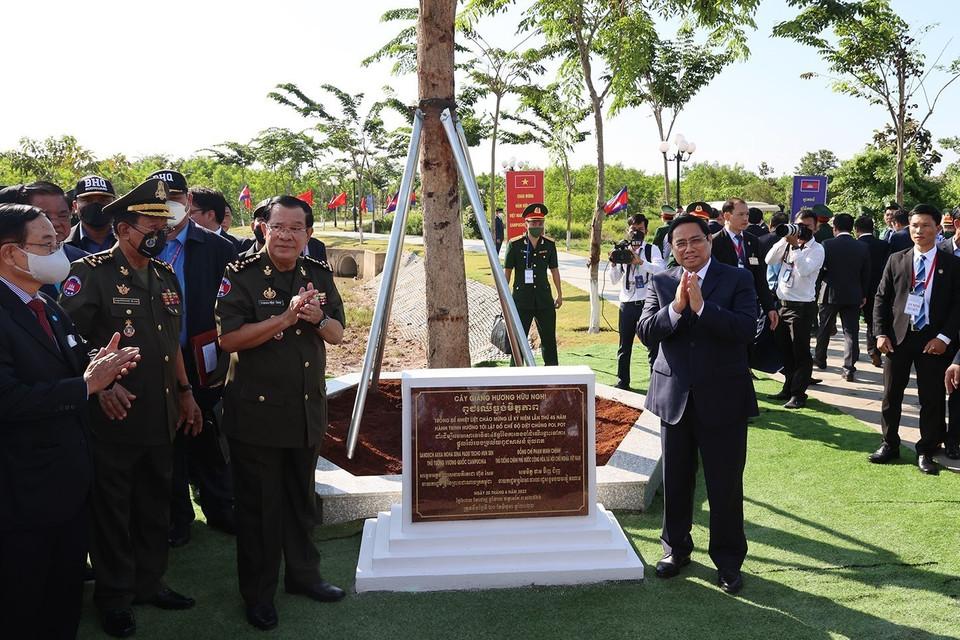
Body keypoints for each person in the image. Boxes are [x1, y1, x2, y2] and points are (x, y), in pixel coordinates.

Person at [59, 178, 202, 638]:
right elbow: (66, 344)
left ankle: (149, 582)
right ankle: (114, 597)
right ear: (122, 228)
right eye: (149, 224)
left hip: (160, 414)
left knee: (154, 506)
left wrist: (185, 393)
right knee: (113, 512)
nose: (160, 231)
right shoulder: (94, 274)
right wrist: (98, 389)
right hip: (114, 417)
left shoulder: (162, 274)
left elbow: (170, 344)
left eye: (163, 222)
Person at [0, 203, 140, 640]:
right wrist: (86, 385)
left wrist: (103, 370)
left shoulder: (48, 305)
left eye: (58, 241)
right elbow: (7, 399)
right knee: (21, 603)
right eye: (46, 243)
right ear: (10, 254)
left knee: (63, 600)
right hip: (21, 493)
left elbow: (73, 365)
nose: (59, 250)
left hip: (68, 483)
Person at [216, 195, 347, 631]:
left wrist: (314, 318)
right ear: (262, 228)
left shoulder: (318, 274)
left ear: (309, 234)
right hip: (256, 417)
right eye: (279, 226)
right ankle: (258, 595)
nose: (287, 235)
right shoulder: (242, 275)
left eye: (296, 228)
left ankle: (304, 577)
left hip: (306, 411)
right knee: (258, 511)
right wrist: (286, 319)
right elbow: (230, 340)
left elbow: (338, 334)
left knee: (301, 502)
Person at [637, 214, 757, 595]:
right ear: (671, 248)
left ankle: (727, 560)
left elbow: (744, 330)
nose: (688, 249)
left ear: (709, 240)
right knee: (676, 480)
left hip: (724, 397)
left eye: (696, 241)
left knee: (724, 484)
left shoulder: (737, 278)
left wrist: (703, 307)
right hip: (674, 397)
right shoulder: (660, 280)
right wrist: (675, 308)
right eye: (680, 244)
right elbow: (645, 331)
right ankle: (676, 550)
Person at [159, 184, 240, 548]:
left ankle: (220, 507)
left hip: (206, 358)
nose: (169, 207)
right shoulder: (145, 244)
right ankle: (177, 516)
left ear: (188, 202)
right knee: (168, 438)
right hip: (158, 362)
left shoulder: (219, 246)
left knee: (209, 430)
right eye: (161, 201)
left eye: (175, 199)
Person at [871, 204, 960, 475]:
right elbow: (881, 298)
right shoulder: (896, 259)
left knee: (931, 398)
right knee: (891, 395)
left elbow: (958, 305)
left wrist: (944, 337)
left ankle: (926, 450)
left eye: (925, 225)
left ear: (937, 228)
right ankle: (889, 443)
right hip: (898, 338)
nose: (919, 231)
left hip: (933, 341)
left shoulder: (952, 264)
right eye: (914, 226)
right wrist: (880, 333)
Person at [765, 209, 825, 409]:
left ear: (816, 228)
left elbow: (805, 270)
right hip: (782, 305)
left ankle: (799, 394)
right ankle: (788, 387)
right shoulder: (788, 245)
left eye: (807, 226)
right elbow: (769, 260)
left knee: (800, 352)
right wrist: (785, 239)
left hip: (801, 307)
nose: (803, 230)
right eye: (799, 225)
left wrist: (796, 248)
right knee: (784, 351)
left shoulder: (817, 249)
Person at [607, 213, 663, 389]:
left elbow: (660, 270)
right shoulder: (621, 250)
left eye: (640, 229)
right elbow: (614, 280)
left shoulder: (651, 250)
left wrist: (641, 262)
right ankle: (623, 381)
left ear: (646, 230)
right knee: (625, 345)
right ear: (627, 231)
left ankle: (656, 382)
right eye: (633, 230)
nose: (636, 233)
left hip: (647, 303)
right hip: (627, 303)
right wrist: (614, 263)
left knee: (652, 344)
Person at [503, 203, 563, 366]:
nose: (537, 226)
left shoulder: (549, 245)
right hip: (522, 299)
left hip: (544, 299)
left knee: (549, 339)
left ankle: (551, 374)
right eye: (533, 223)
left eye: (540, 223)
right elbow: (507, 271)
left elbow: (555, 270)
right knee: (519, 340)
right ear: (526, 224)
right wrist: (504, 296)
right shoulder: (514, 245)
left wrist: (559, 293)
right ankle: (515, 376)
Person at [813, 213, 871, 381]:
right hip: (853, 294)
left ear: (835, 228)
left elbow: (820, 270)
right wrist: (863, 294)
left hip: (829, 293)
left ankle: (820, 359)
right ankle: (849, 367)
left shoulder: (827, 244)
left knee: (824, 329)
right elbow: (865, 273)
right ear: (852, 228)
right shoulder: (861, 246)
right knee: (851, 332)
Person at [711, 198, 778, 332]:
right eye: (740, 215)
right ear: (726, 216)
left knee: (748, 347)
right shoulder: (715, 242)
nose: (745, 218)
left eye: (747, 214)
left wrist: (769, 307)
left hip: (747, 304)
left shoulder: (752, 240)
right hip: (724, 305)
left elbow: (759, 275)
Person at [856, 215, 889, 368]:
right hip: (878, 288)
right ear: (873, 229)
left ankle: (855, 353)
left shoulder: (855, 245)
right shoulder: (883, 245)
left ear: (856, 231)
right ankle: (874, 349)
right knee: (873, 320)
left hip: (857, 289)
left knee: (851, 324)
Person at [65, 175, 117, 253]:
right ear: (75, 206)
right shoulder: (63, 243)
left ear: (114, 204)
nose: (96, 205)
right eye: (88, 201)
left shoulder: (131, 238)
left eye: (104, 200)